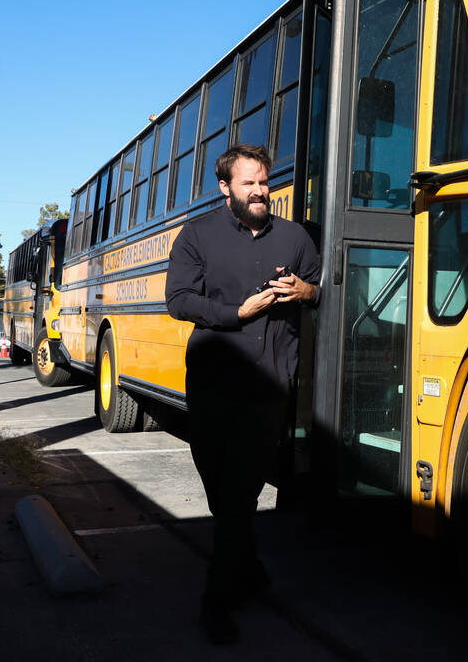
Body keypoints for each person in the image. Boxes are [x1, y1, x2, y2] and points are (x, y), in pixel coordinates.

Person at [164, 143, 320, 645]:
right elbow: (177, 300)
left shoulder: (295, 237)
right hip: (213, 382)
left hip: (269, 384)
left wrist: (306, 292)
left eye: (264, 182)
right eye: (248, 182)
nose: (259, 191)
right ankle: (250, 568)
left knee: (240, 493)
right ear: (225, 187)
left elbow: (321, 288)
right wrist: (237, 313)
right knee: (221, 491)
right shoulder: (197, 235)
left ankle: (216, 601)